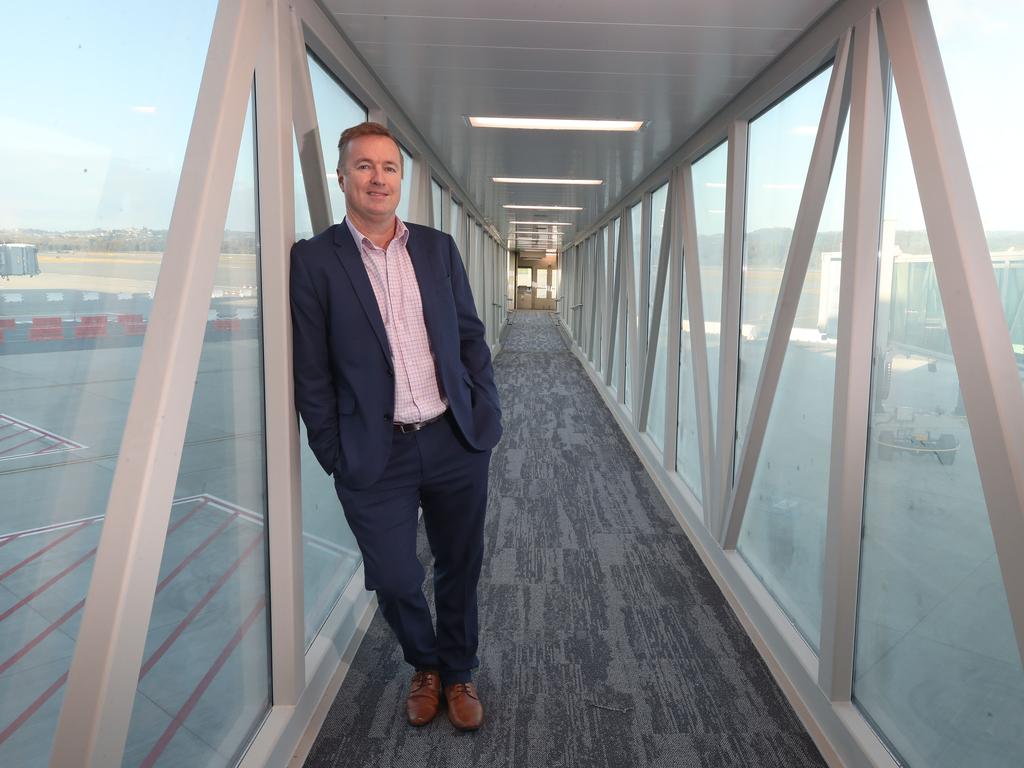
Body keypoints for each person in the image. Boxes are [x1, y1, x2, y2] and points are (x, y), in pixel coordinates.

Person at [289, 122, 502, 731]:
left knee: (460, 562)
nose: (378, 178)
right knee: (395, 573)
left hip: (453, 438)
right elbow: (311, 372)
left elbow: (468, 337)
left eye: (388, 167)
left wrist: (483, 410)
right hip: (373, 452)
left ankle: (458, 673)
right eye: (364, 166)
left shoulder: (436, 249)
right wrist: (334, 452)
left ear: (400, 179)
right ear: (342, 177)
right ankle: (425, 663)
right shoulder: (314, 260)